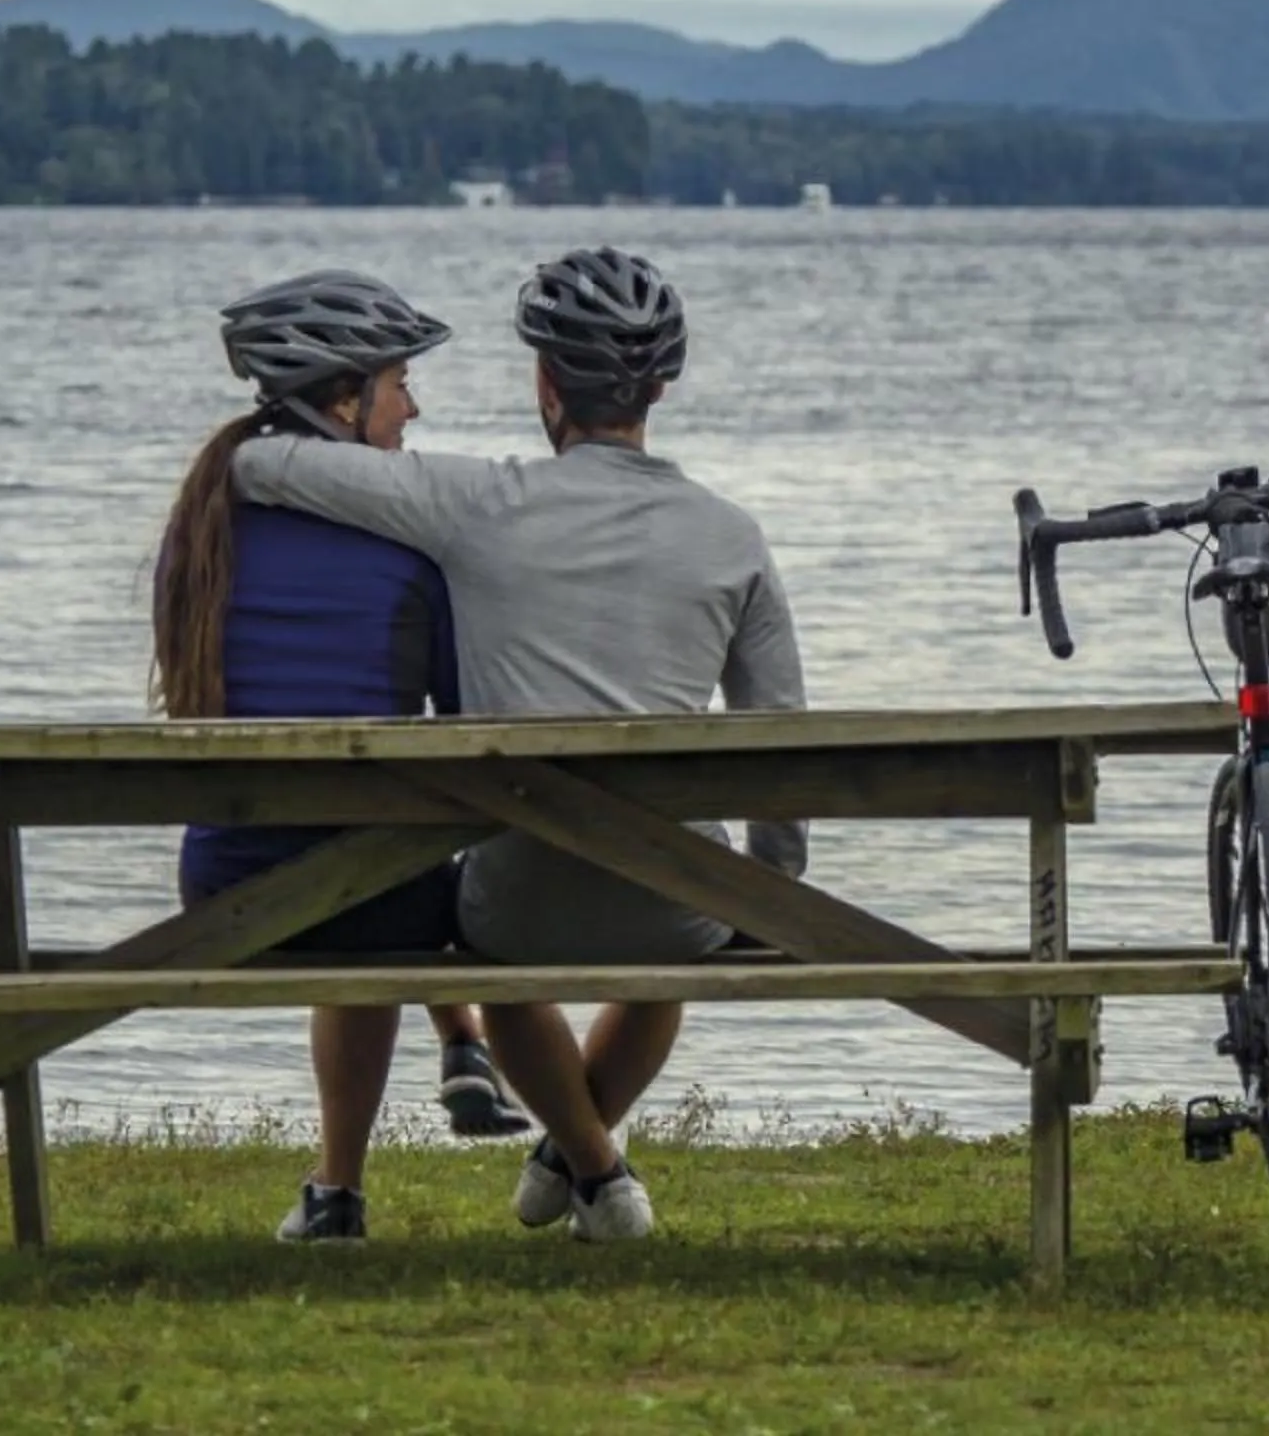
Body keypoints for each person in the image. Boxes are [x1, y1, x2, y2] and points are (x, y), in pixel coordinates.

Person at [233, 246, 806, 1243]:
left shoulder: (477, 505)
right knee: (675, 935)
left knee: (496, 964)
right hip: (678, 901)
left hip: (517, 907)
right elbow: (781, 741)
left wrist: (246, 438)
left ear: (545, 384)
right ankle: (586, 1163)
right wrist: (770, 885)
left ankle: (587, 1164)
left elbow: (264, 465)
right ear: (660, 389)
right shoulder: (733, 536)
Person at [149, 268, 530, 1247]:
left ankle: (340, 1196)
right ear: (345, 401)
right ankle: (466, 1067)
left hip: (225, 884)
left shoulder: (200, 533)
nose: (414, 408)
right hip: (381, 895)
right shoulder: (410, 548)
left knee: (347, 858)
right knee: (398, 870)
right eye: (400, 383)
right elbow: (463, 717)